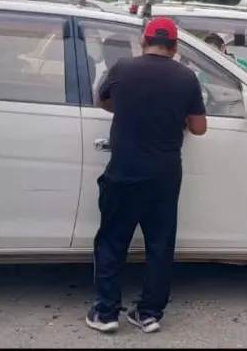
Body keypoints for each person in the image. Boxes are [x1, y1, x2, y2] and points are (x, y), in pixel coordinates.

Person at [87, 17, 207, 335]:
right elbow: (199, 127)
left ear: (144, 42)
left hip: (123, 172)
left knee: (112, 241)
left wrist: (130, 109)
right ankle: (149, 314)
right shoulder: (187, 78)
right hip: (164, 177)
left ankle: (106, 312)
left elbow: (101, 101)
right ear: (175, 46)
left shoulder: (122, 68)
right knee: (159, 245)